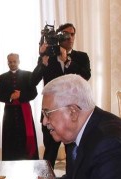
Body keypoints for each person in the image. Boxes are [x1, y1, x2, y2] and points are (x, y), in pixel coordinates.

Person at [36, 23, 91, 168]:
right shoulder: (48, 57)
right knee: (50, 152)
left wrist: (67, 60)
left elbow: (86, 76)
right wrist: (42, 58)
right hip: (51, 114)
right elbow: (32, 81)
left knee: (73, 153)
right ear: (59, 36)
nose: (70, 37)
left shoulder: (81, 57)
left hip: (74, 113)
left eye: (72, 34)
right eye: (66, 34)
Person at [0, 53, 42, 160]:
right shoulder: (2, 77)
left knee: (25, 138)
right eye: (10, 62)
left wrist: (21, 95)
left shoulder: (28, 75)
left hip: (24, 112)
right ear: (7, 62)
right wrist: (10, 97)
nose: (12, 64)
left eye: (14, 61)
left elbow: (34, 93)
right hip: (9, 114)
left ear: (19, 61)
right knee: (10, 139)